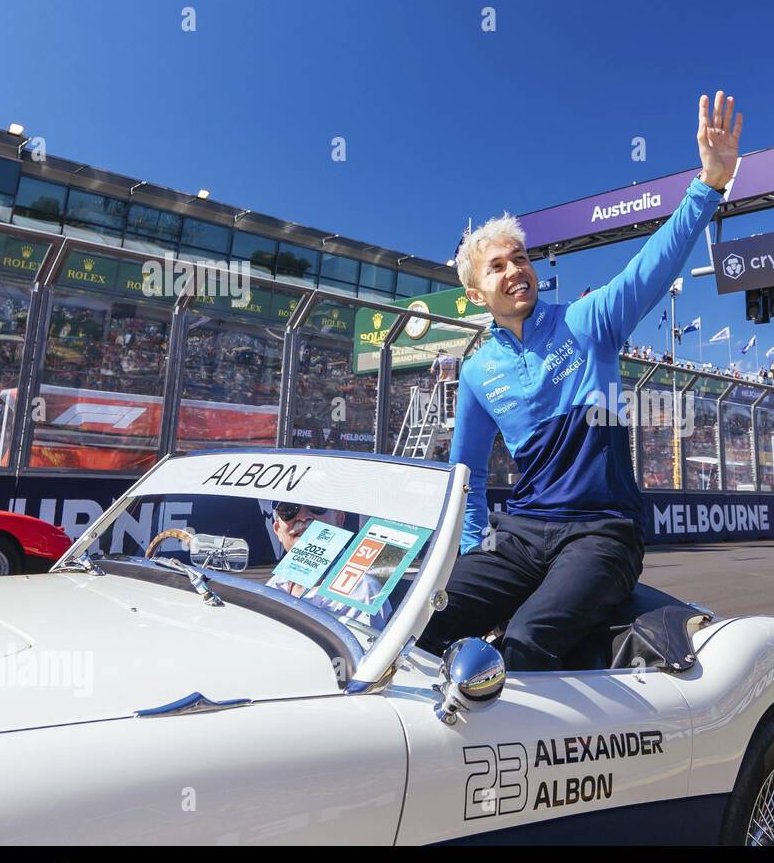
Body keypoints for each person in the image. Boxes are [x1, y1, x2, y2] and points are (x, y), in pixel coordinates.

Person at [420, 92, 742, 671]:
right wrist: (472, 553)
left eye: (521, 258)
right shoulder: (475, 371)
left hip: (601, 534)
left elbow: (653, 266)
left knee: (523, 643)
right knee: (419, 619)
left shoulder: (587, 321)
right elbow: (463, 479)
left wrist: (709, 184)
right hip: (518, 536)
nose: (517, 269)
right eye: (498, 266)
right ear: (475, 294)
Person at [265, 502, 392, 630]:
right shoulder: (277, 580)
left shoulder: (362, 589)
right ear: (277, 530)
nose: (302, 517)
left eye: (316, 505)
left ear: (339, 519)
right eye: (288, 509)